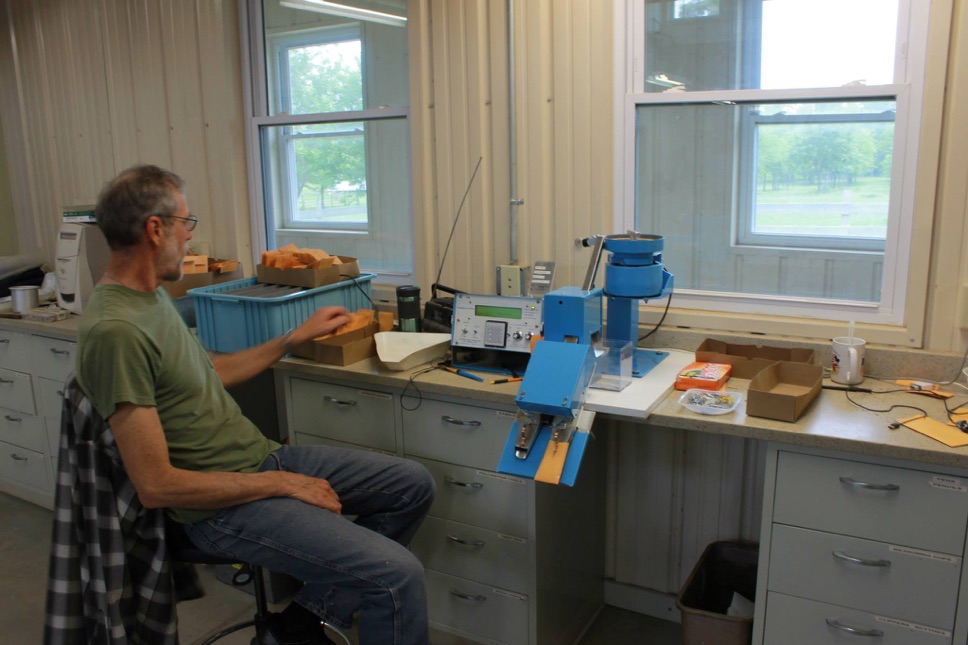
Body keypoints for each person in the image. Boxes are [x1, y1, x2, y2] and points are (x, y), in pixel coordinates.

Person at [75, 164, 435, 645]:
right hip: (214, 509)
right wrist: (281, 483)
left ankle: (301, 623)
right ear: (155, 229)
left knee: (412, 485)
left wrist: (291, 338)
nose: (190, 235)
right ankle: (306, 622)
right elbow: (157, 486)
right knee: (396, 575)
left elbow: (208, 373)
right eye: (186, 222)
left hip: (256, 460)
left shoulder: (150, 297)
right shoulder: (115, 331)